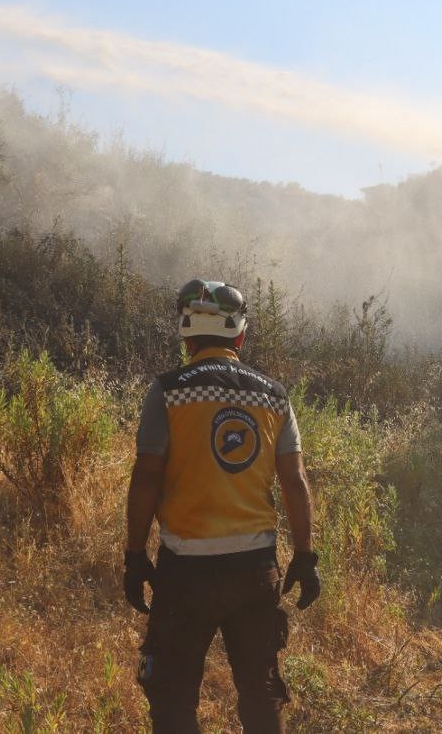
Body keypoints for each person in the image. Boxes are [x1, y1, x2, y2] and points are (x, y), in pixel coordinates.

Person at [124, 279, 320, 734]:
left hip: (185, 573)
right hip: (254, 572)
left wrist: (135, 555)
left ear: (186, 335)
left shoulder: (167, 392)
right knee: (261, 691)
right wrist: (306, 557)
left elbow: (147, 477)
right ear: (240, 335)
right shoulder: (274, 396)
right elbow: (295, 481)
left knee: (171, 697)